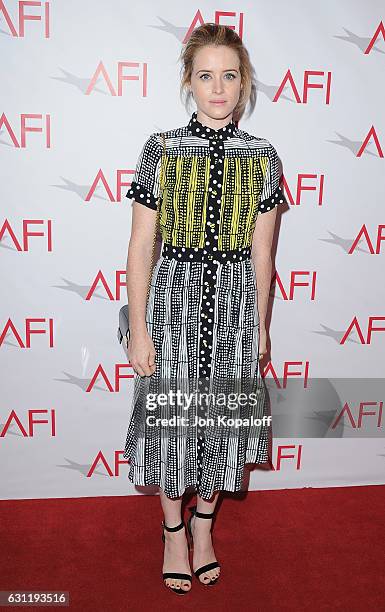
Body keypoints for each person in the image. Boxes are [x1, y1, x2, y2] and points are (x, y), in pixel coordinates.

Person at [122, 23, 284, 595]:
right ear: (189, 82)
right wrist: (138, 329)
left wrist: (260, 328)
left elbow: (263, 255)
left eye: (230, 75)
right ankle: (172, 533)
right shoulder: (159, 149)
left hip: (237, 305)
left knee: (220, 424)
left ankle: (205, 529)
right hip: (174, 306)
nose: (219, 87)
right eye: (206, 75)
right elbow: (142, 245)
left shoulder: (265, 158)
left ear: (244, 85)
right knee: (172, 424)